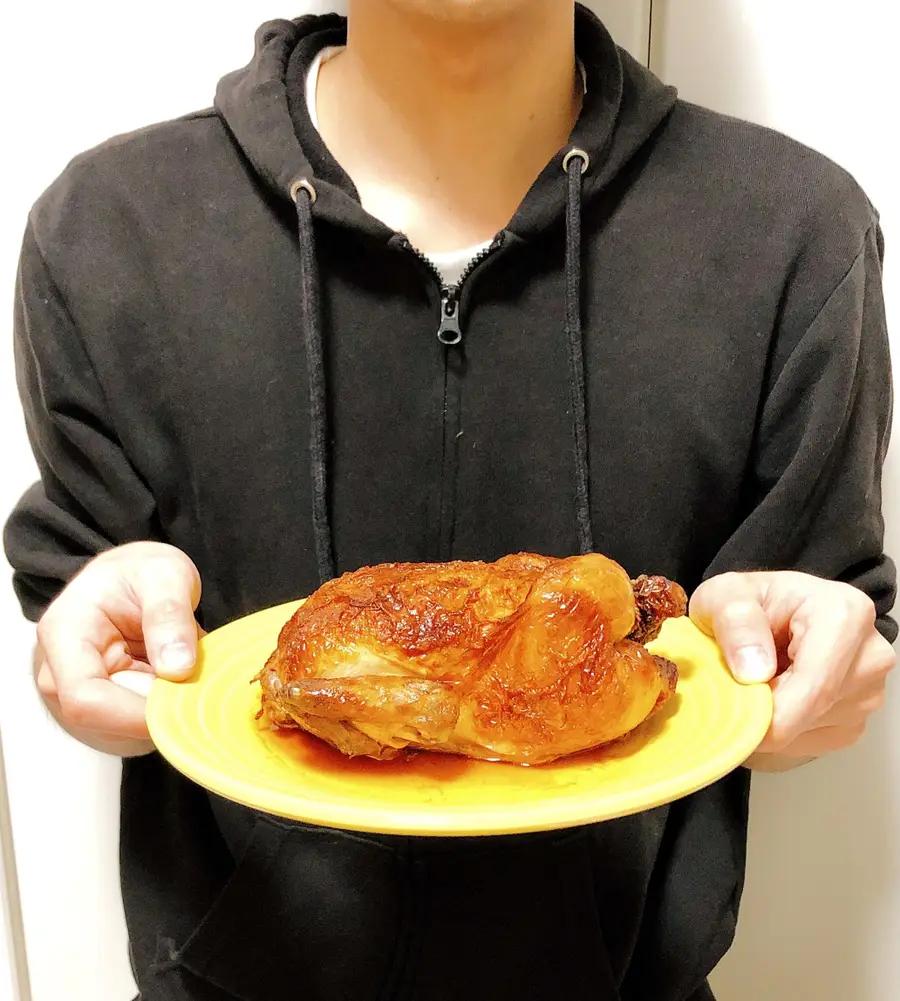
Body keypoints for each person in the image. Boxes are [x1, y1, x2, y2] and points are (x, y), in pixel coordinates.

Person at [4, 2, 896, 999]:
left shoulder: (794, 236)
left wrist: (803, 666)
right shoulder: (108, 234)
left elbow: (813, 628)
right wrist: (96, 639)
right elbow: (90, 591)